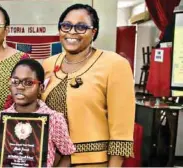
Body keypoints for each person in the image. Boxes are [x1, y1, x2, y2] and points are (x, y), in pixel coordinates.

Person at [41, 4, 135, 166]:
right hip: (50, 160)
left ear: (94, 32)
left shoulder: (114, 64)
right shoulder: (48, 64)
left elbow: (122, 131)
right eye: (66, 26)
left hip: (93, 161)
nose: (71, 32)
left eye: (81, 27)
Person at [0, 59, 75, 167]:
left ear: (41, 88)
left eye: (28, 83)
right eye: (15, 81)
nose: (20, 87)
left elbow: (67, 155)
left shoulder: (54, 119)